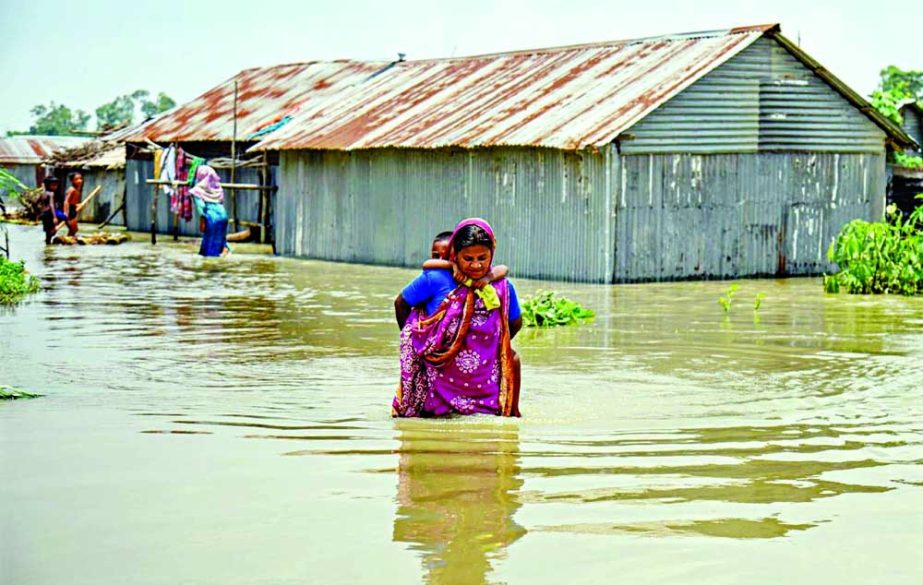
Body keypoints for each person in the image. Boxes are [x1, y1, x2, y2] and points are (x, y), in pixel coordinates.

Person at [393, 218, 522, 417]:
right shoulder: (435, 279)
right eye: (468, 259)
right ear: (455, 255)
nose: (476, 265)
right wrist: (418, 342)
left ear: (492, 254)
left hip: (486, 386)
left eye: (482, 258)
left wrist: (486, 349)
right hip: (437, 383)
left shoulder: (502, 287)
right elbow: (401, 303)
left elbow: (514, 323)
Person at [189, 165, 229, 257]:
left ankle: (209, 266)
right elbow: (221, 201)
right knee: (220, 242)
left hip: (211, 217)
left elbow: (201, 207)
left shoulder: (197, 190)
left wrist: (202, 218)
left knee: (209, 247)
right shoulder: (217, 188)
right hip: (223, 215)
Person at [38, 176, 62, 245]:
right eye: (53, 185)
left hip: (44, 213)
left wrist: (39, 212)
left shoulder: (43, 193)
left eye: (56, 185)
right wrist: (54, 217)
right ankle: (48, 244)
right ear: (48, 185)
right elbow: (51, 205)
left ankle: (47, 245)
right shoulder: (51, 194)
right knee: (52, 230)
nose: (55, 187)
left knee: (47, 231)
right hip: (49, 214)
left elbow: (37, 202)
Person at [63, 172, 83, 236]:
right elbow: (66, 201)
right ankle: (68, 241)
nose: (79, 181)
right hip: (70, 210)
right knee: (73, 229)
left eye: (80, 178)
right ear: (72, 181)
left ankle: (70, 242)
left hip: (73, 209)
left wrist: (77, 205)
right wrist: (66, 213)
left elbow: (72, 201)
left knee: (74, 229)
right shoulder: (72, 190)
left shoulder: (77, 189)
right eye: (76, 179)